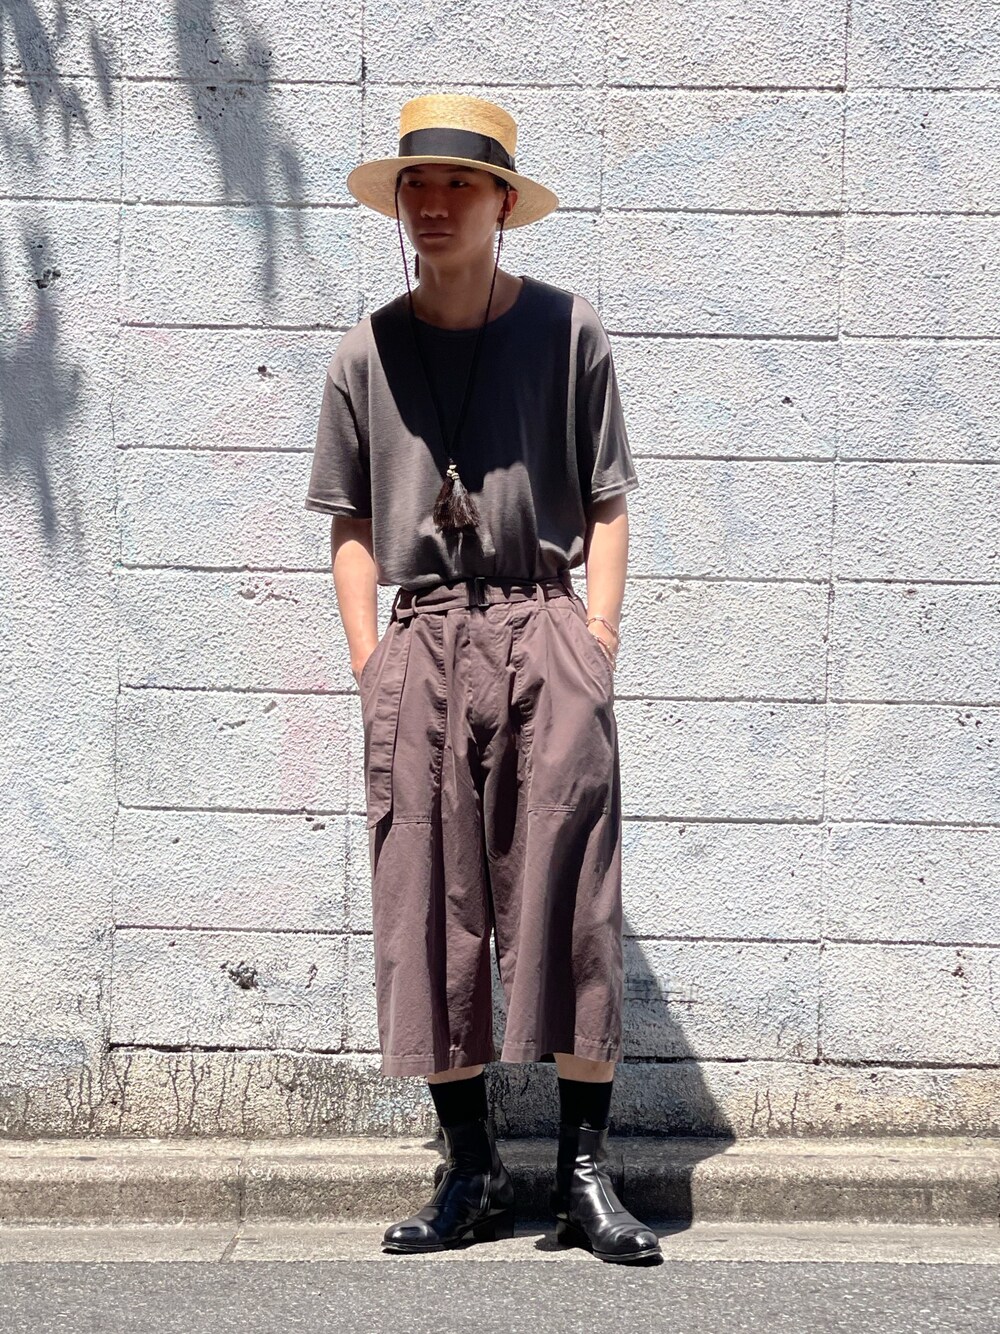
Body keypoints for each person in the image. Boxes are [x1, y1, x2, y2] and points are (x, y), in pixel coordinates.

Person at [304, 93, 661, 1264]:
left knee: (572, 890)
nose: (435, 202)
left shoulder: (566, 331)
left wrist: (593, 640)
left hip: (542, 623)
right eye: (418, 183)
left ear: (503, 202)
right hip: (421, 639)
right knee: (425, 899)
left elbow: (606, 502)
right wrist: (371, 662)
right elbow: (351, 521)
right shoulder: (366, 351)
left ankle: (584, 1173)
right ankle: (469, 1170)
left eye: (460, 183)